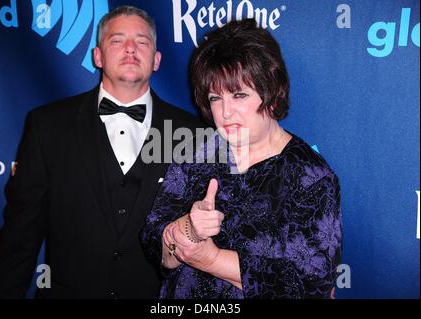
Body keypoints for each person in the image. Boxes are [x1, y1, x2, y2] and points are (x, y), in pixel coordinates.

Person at [0, 5, 201, 299]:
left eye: (142, 41)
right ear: (97, 55)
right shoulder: (47, 126)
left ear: (156, 60)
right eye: (117, 40)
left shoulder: (193, 133)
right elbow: (19, 239)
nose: (130, 49)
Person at [141, 19, 342, 299]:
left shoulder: (311, 177)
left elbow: (311, 284)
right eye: (215, 98)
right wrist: (188, 228)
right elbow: (157, 249)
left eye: (239, 95)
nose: (224, 112)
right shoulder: (194, 155)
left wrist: (210, 259)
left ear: (271, 93)